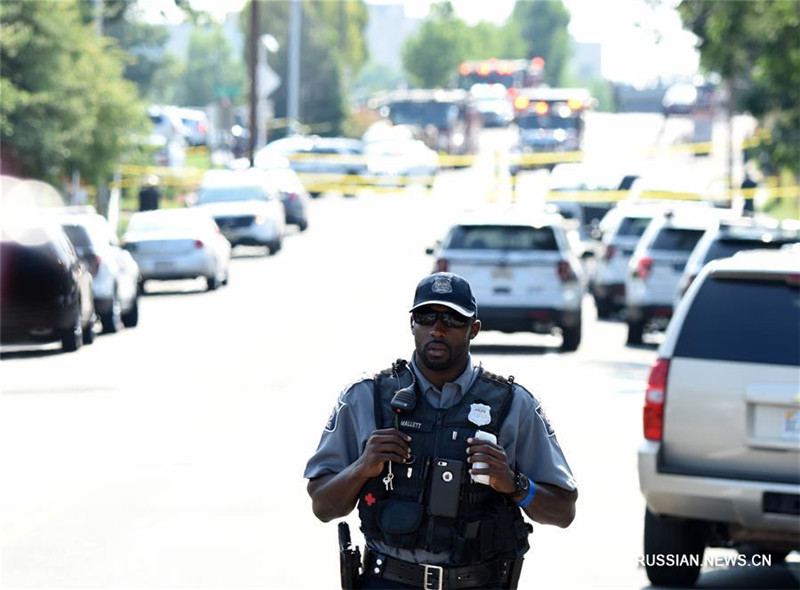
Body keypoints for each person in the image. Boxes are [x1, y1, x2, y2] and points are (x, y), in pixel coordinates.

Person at [305, 272, 578, 589]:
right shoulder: (366, 396)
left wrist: (515, 484)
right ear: (412, 324)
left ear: (473, 329)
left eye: (452, 319)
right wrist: (361, 468)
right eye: (426, 317)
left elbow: (563, 511)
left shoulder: (513, 404)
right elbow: (323, 506)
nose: (437, 329)